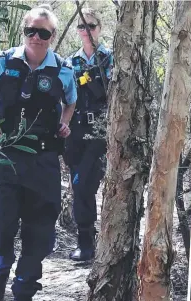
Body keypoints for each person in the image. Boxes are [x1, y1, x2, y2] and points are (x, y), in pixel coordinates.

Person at [0, 5, 76, 301]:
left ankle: (23, 297)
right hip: (5, 157)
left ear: (52, 37)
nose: (37, 38)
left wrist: (65, 122)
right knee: (0, 226)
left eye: (45, 33)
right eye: (32, 31)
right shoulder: (3, 63)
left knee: (39, 232)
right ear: (24, 31)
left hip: (43, 161)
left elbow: (72, 100)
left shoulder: (63, 69)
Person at [63, 7, 113, 261]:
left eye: (91, 26)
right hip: (75, 133)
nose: (86, 31)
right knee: (79, 186)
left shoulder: (110, 58)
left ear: (99, 28)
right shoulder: (70, 61)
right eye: (82, 26)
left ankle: (92, 243)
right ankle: (86, 243)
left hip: (100, 133)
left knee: (85, 184)